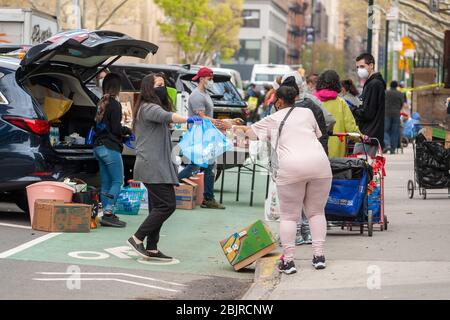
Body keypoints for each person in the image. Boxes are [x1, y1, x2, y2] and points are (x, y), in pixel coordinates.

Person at [233, 86, 333, 274]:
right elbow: (317, 135)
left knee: (289, 216)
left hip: (291, 168)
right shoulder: (308, 112)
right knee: (317, 213)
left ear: (278, 100)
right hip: (320, 165)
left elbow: (249, 133)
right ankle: (319, 257)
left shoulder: (273, 118)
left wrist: (231, 126)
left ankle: (289, 261)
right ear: (295, 97)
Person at [127, 74, 202, 260]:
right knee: (168, 205)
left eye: (163, 85)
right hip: (152, 165)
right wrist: (189, 119)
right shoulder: (148, 108)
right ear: (149, 89)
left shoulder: (150, 107)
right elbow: (168, 116)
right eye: (159, 85)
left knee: (157, 206)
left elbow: (167, 119)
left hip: (157, 165)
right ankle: (137, 238)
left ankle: (152, 247)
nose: (162, 88)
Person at [279, 74, 329, 246]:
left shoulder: (281, 110)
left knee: (291, 209)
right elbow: (326, 124)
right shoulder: (312, 106)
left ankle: (295, 239)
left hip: (292, 161)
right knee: (315, 210)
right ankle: (316, 248)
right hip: (318, 160)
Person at [178, 67, 229, 209]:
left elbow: (206, 116)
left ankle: (208, 198)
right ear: (201, 79)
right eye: (209, 78)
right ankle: (172, 183)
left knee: (210, 166)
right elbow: (201, 116)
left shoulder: (205, 93)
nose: (211, 81)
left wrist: (216, 125)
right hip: (199, 134)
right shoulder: (197, 96)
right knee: (195, 165)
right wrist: (218, 123)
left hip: (206, 134)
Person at [93, 73, 131, 228]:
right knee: (117, 181)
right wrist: (126, 130)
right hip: (110, 147)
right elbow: (115, 128)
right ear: (117, 87)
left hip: (98, 147)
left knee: (106, 182)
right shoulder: (115, 104)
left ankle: (105, 213)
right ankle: (109, 213)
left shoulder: (101, 102)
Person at [314, 70, 361, 158]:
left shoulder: (313, 101)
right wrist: (361, 137)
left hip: (316, 153)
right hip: (337, 156)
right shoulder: (341, 102)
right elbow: (351, 129)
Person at [354, 53, 386, 156]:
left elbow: (368, 113)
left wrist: (353, 110)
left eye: (362, 66)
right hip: (369, 134)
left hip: (369, 135)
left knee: (359, 167)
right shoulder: (371, 83)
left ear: (371, 65)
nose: (359, 69)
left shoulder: (374, 84)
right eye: (357, 67)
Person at [384, 81, 405, 154]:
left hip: (386, 114)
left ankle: (387, 144)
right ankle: (393, 148)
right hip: (396, 114)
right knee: (395, 131)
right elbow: (402, 104)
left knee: (385, 130)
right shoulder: (400, 94)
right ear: (396, 86)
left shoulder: (386, 93)